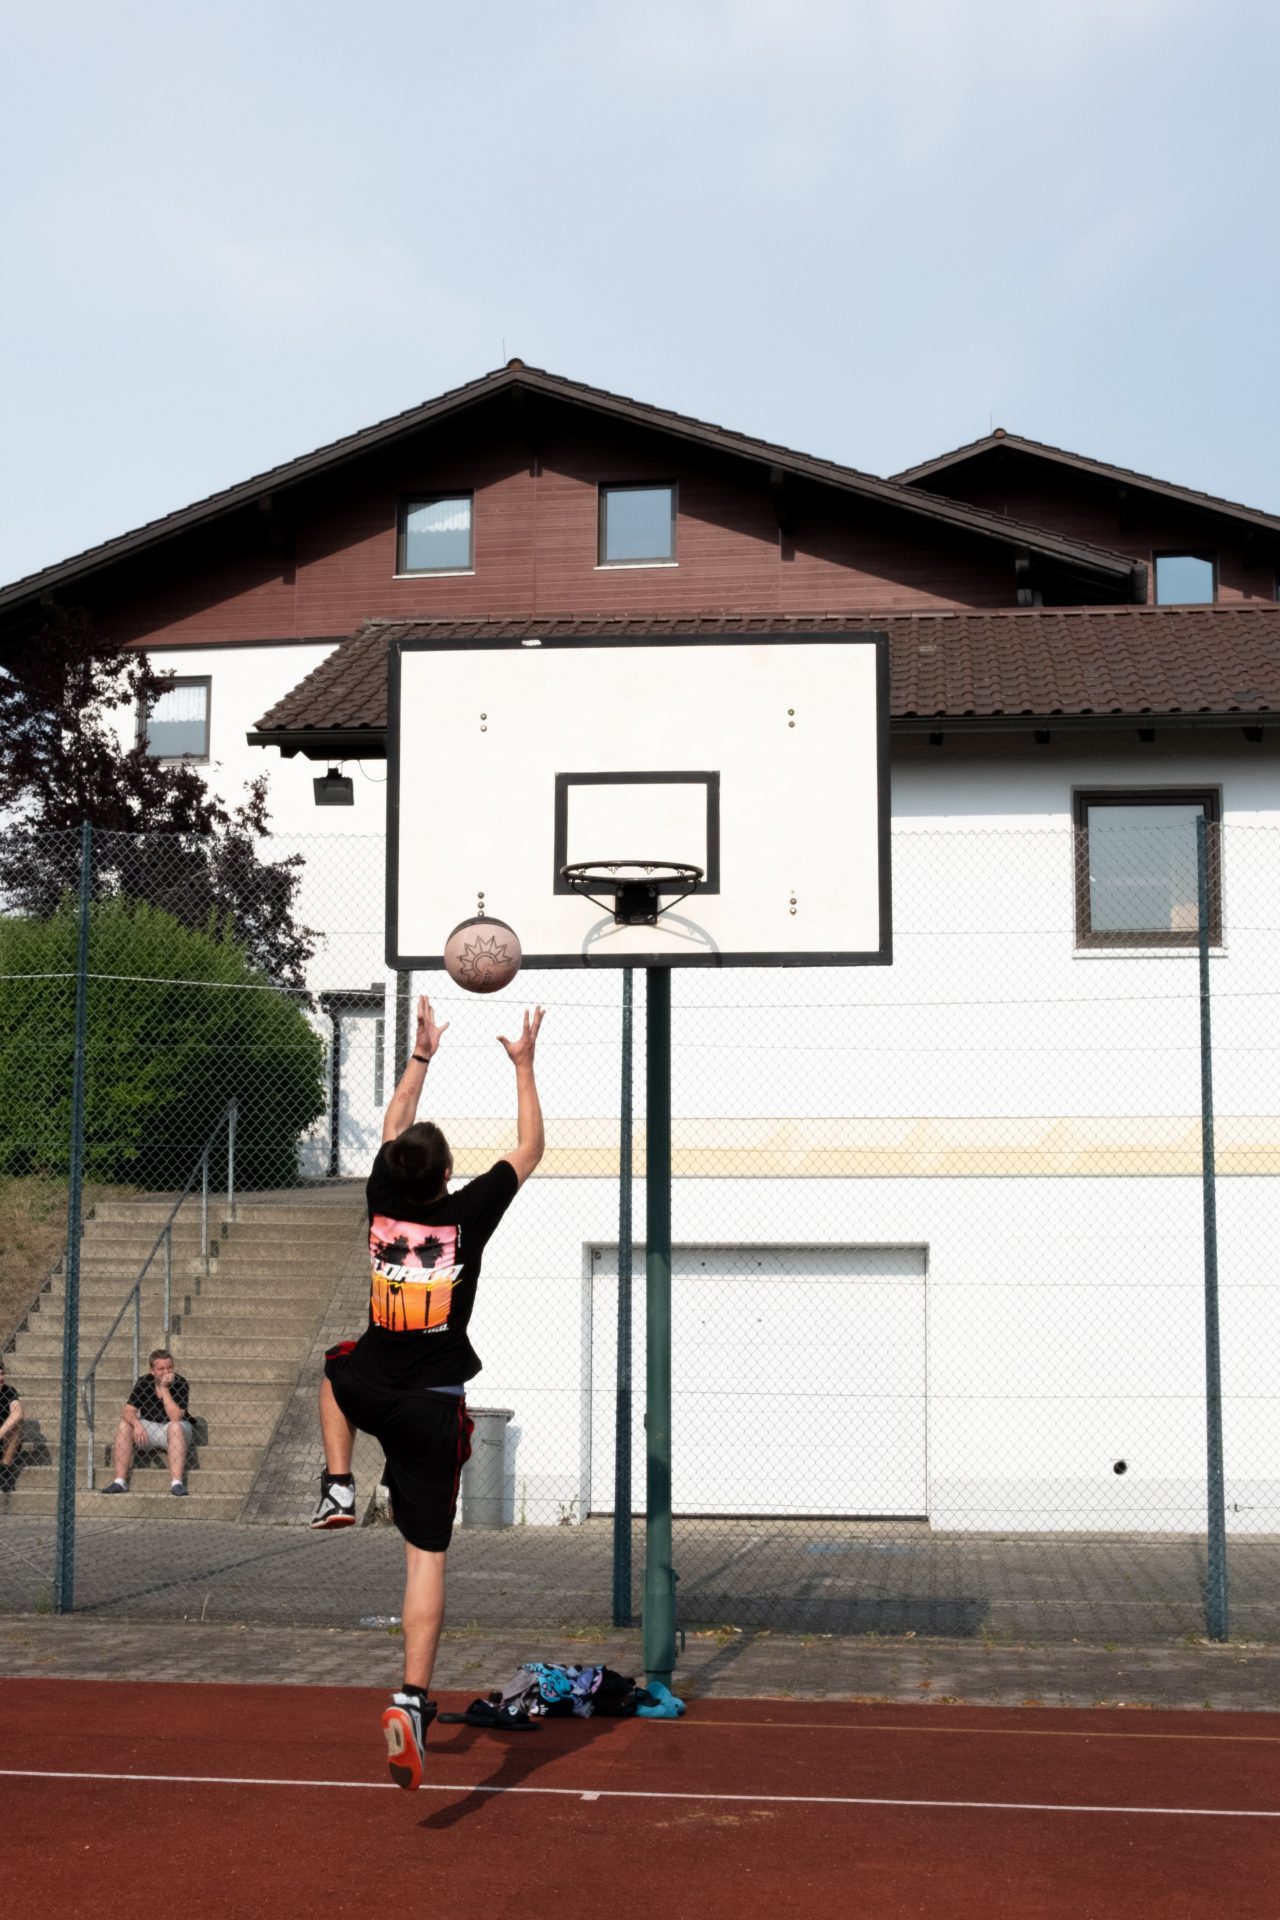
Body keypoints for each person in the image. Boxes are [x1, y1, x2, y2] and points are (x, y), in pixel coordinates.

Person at [311, 993, 544, 1790]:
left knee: (334, 1373)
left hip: (372, 1384)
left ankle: (337, 1485)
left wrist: (421, 1053)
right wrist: (523, 1066)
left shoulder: (381, 1195)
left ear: (396, 1169)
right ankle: (411, 1698)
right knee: (426, 1554)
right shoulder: (468, 1214)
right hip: (433, 1406)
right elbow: (530, 1147)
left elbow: (396, 1121)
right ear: (446, 1175)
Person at [103, 1348, 194, 1496]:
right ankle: (119, 1481)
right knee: (124, 1425)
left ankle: (177, 1483)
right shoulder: (144, 1382)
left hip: (176, 1430)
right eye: (161, 1368)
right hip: (149, 1428)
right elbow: (127, 1410)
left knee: (175, 1427)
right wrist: (136, 1423)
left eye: (170, 1367)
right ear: (152, 1371)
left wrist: (164, 1389)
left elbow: (176, 1417)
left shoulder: (181, 1383)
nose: (166, 1372)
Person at [0, 1360, 23, 1490]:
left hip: (5, 1441)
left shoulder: (8, 1391)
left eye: (2, 1374)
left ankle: (4, 1469)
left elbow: (18, 1413)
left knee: (17, 1423)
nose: (1, 1378)